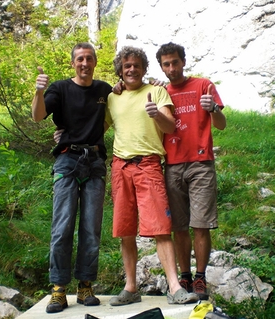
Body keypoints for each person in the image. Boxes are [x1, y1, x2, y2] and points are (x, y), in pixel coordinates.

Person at [105, 46, 199, 306]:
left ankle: (175, 287)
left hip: (149, 166)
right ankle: (131, 287)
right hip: (120, 167)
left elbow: (170, 127)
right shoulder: (112, 98)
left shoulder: (157, 91)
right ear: (120, 71)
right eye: (126, 66)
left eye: (136, 65)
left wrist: (156, 114)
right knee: (125, 230)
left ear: (145, 69)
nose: (131, 69)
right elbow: (94, 127)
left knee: (160, 228)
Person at [31, 42, 112, 314]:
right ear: (73, 63)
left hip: (96, 162)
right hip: (67, 160)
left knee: (91, 227)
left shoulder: (104, 90)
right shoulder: (60, 89)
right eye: (80, 59)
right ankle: (58, 289)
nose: (85, 63)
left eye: (89, 58)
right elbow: (38, 115)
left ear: (95, 62)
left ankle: (85, 285)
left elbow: (122, 107)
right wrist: (39, 91)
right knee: (62, 226)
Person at [155, 42, 227, 300]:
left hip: (200, 163)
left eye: (175, 62)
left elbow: (221, 125)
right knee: (180, 226)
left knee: (201, 225)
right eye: (166, 64)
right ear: (161, 67)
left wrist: (213, 109)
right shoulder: (160, 91)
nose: (172, 68)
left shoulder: (203, 85)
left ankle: (200, 277)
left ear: (183, 61)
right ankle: (184, 276)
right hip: (172, 164)